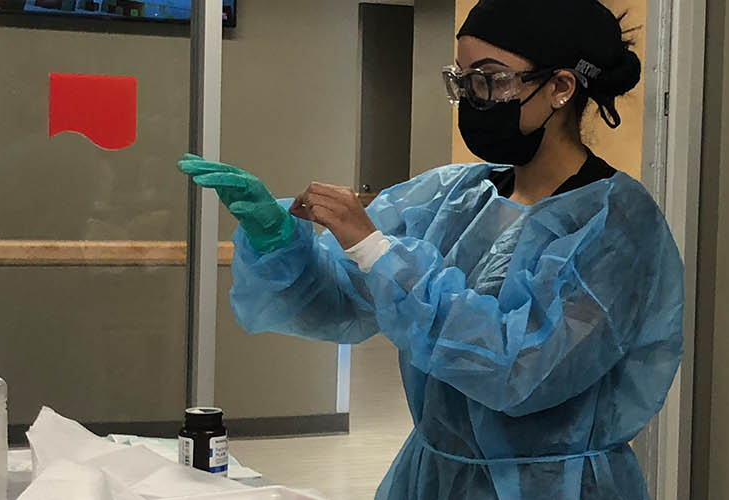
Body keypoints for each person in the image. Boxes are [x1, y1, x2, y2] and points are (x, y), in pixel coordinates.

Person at [175, 0, 683, 498]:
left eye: (491, 78)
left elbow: (522, 370)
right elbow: (339, 302)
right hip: (435, 475)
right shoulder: (454, 198)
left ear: (559, 87)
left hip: (557, 485)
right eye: (462, 80)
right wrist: (276, 240)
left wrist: (375, 248)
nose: (472, 97)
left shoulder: (615, 223)